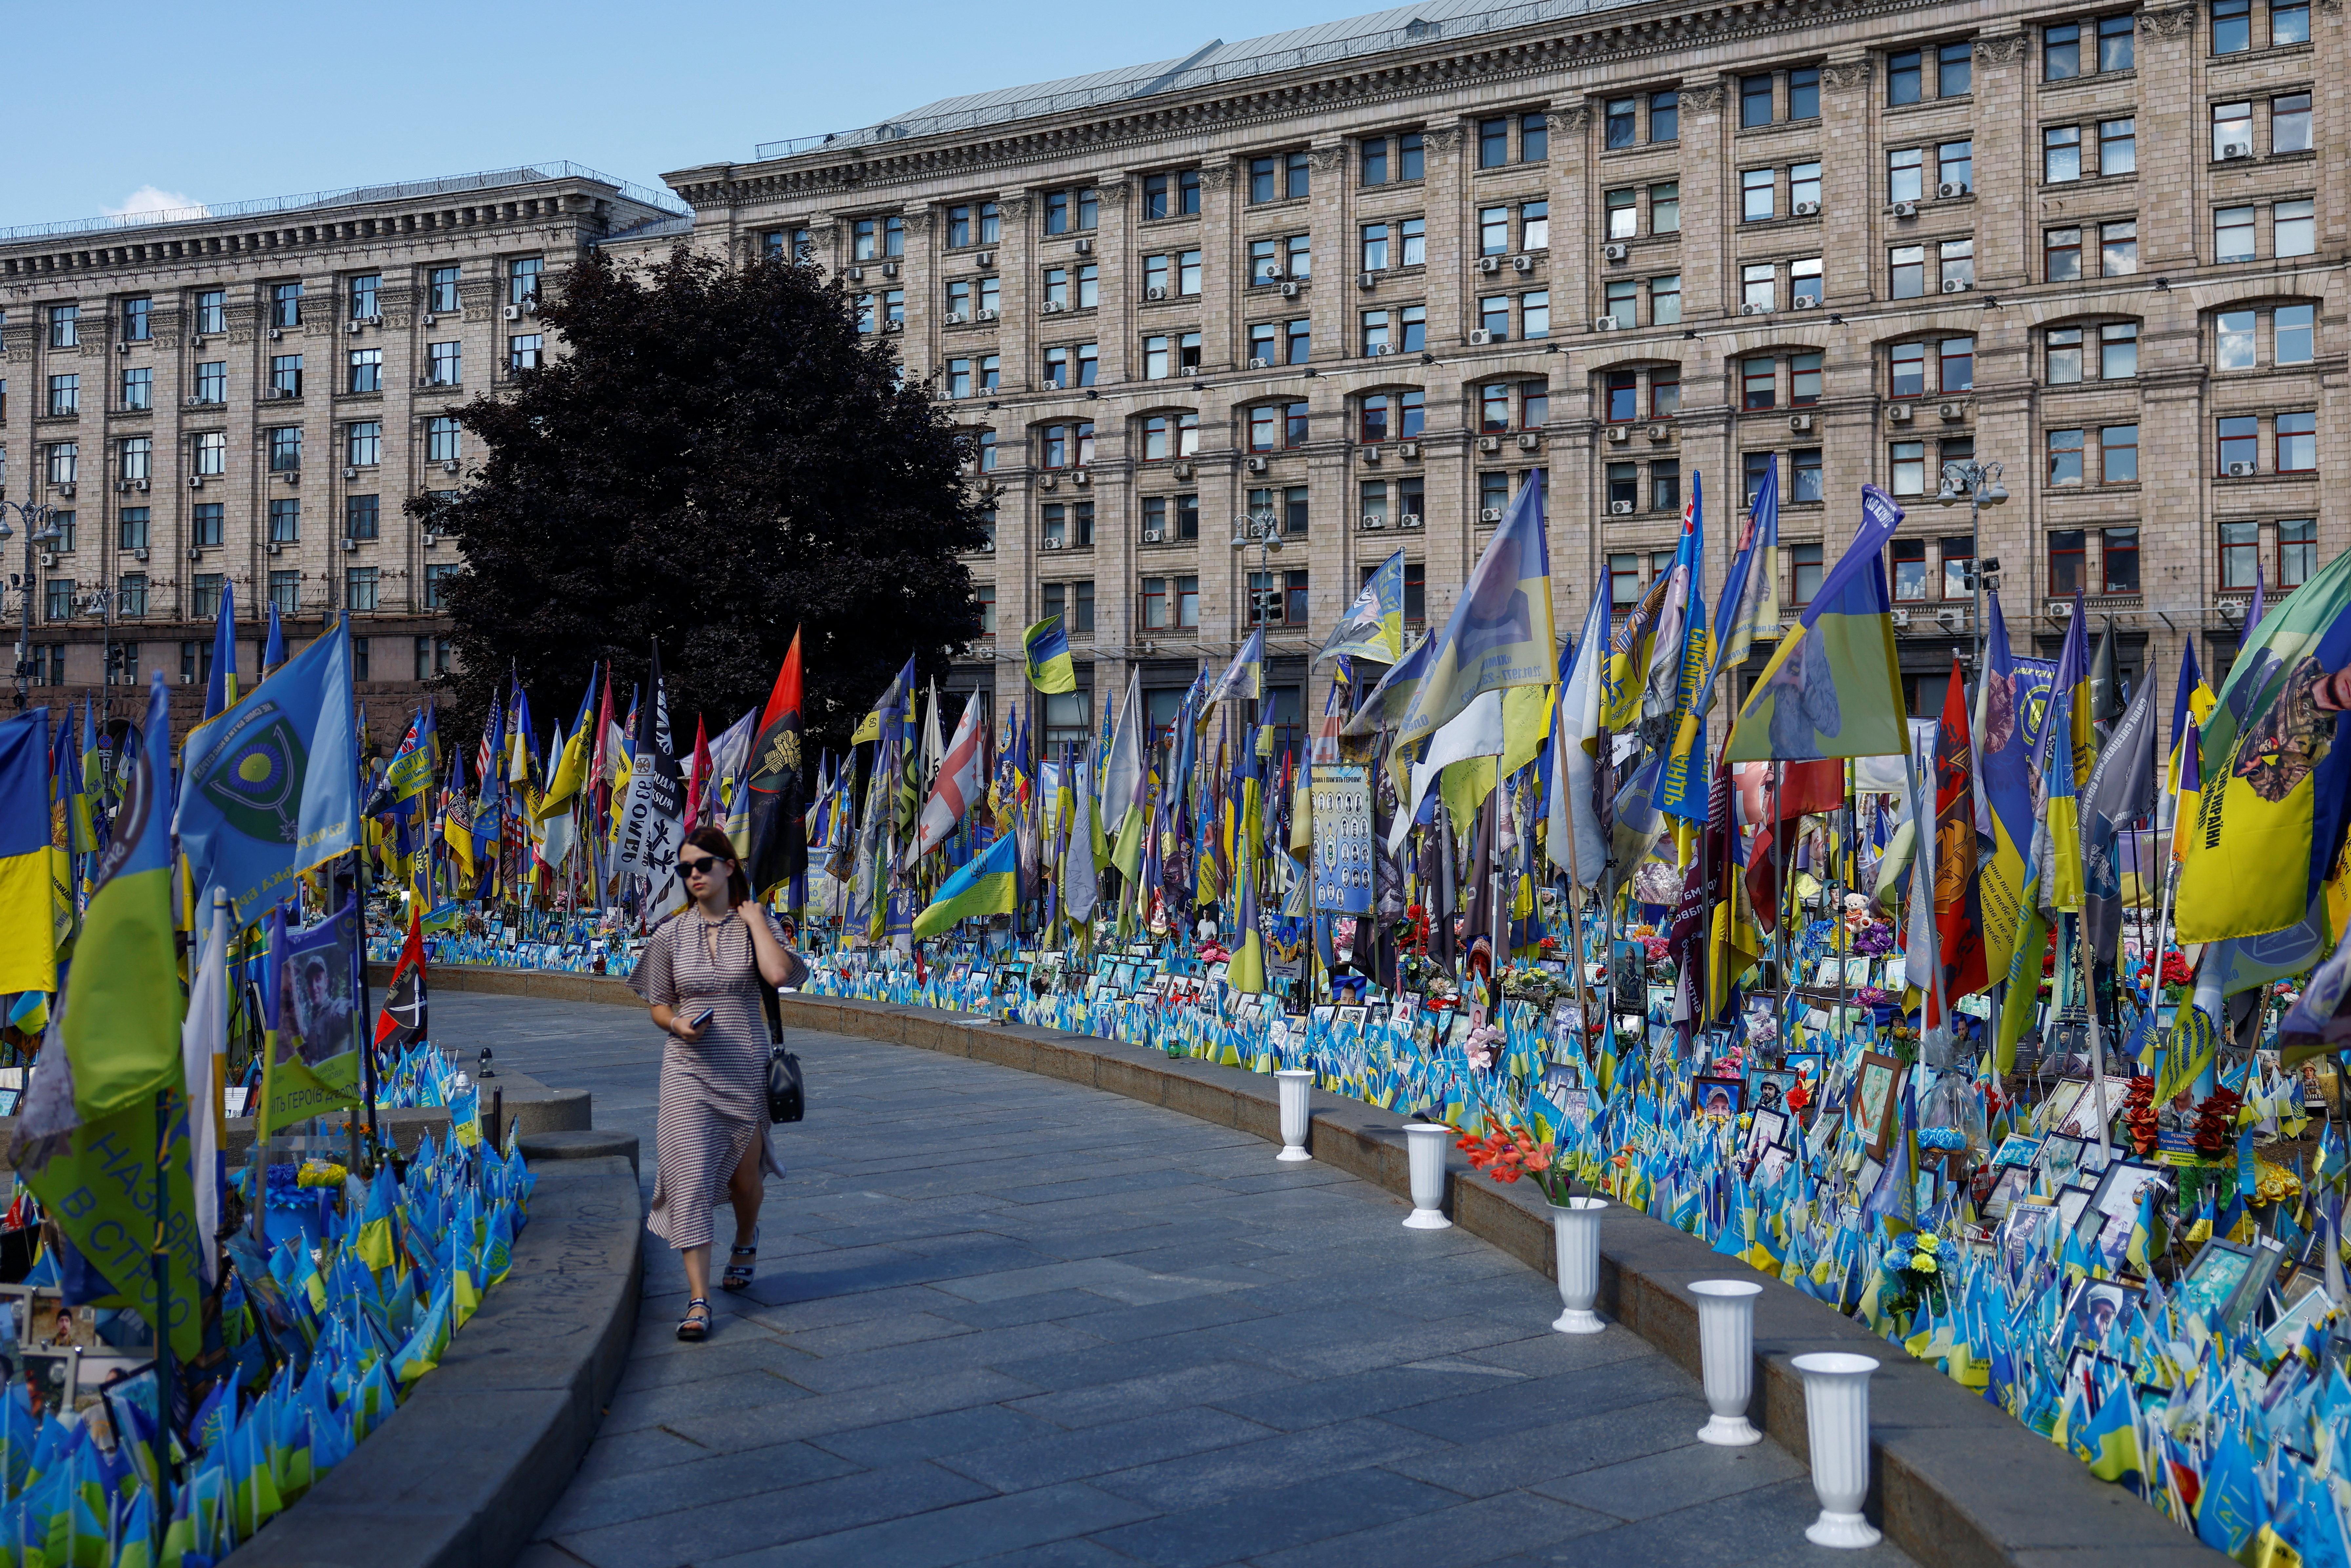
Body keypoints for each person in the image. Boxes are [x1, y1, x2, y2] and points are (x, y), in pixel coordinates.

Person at [629, 824, 807, 1343]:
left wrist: (755, 922)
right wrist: (676, 1024)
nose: (693, 876)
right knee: (686, 1174)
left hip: (744, 1066)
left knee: (742, 1180)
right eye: (684, 869)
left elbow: (779, 977)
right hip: (686, 1066)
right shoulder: (670, 934)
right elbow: (659, 1002)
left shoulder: (753, 922)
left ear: (728, 866)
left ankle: (746, 1238)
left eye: (702, 865)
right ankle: (698, 1300)